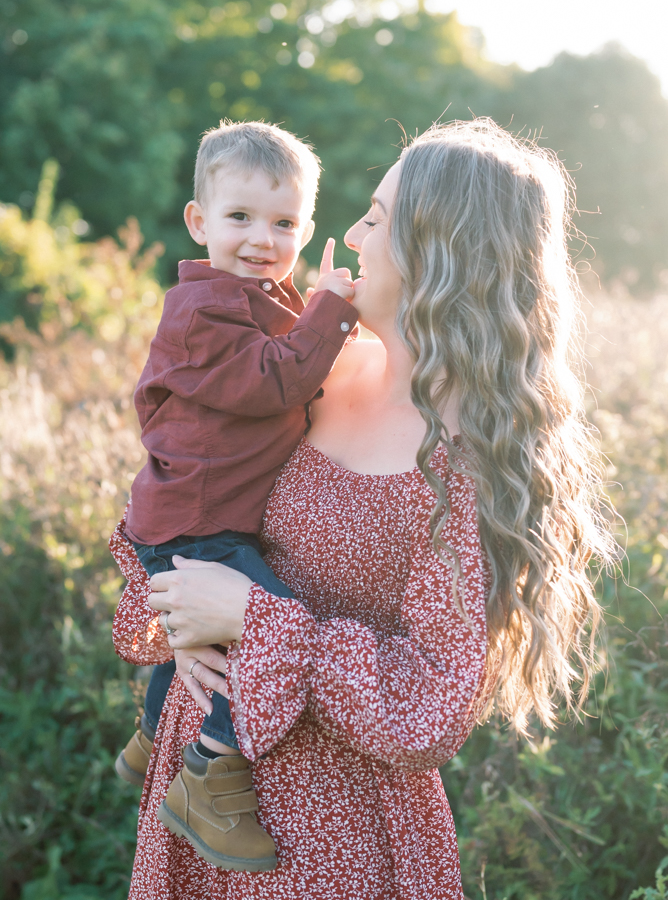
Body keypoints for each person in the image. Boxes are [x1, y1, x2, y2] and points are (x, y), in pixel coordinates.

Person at [110, 119, 611, 899]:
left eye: (375, 219)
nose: (347, 234)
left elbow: (428, 705)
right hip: (194, 788)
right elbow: (188, 482)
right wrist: (182, 616)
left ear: (437, 247)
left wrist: (253, 619)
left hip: (323, 834)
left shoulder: (459, 463)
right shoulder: (320, 370)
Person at [114, 120, 358, 872]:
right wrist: (332, 308)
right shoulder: (204, 311)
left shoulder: (258, 298)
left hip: (192, 515)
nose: (262, 238)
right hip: (197, 525)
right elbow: (276, 378)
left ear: (306, 226)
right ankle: (211, 774)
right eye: (240, 218)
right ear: (199, 222)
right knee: (261, 624)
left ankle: (150, 737)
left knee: (193, 642)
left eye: (284, 223)